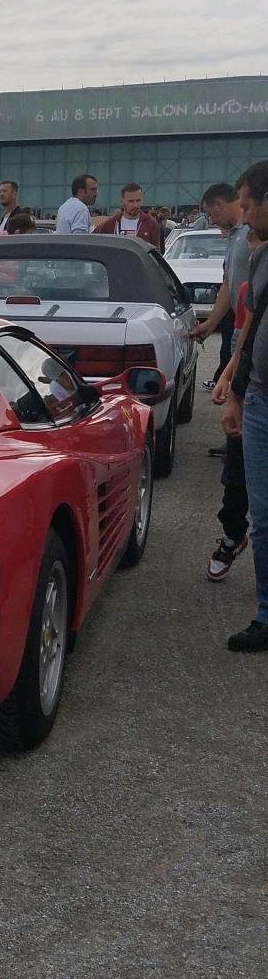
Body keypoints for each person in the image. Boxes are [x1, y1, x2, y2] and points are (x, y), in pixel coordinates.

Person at [218, 160, 268, 651]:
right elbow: (250, 326)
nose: (246, 216)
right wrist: (234, 385)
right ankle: (265, 615)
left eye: (251, 206)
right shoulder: (259, 256)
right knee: (264, 515)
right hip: (259, 401)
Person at [190, 183, 250, 384]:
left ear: (219, 204)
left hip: (253, 327)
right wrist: (211, 324)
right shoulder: (235, 235)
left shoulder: (253, 232)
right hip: (240, 325)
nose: (212, 221)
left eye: (211, 214)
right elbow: (227, 284)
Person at [94, 183, 162, 250]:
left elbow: (156, 254)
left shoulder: (151, 224)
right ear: (122, 201)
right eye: (131, 201)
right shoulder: (110, 224)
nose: (135, 205)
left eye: (138, 200)